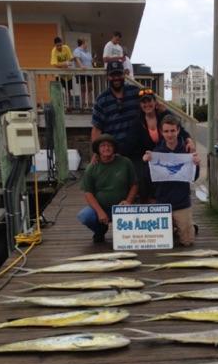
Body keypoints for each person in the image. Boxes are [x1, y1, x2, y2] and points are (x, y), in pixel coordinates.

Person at [123, 89, 195, 202]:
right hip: (147, 157)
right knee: (142, 172)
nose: (147, 105)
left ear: (155, 102)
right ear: (140, 105)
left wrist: (189, 140)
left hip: (166, 154)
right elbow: (129, 143)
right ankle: (148, 200)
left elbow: (180, 130)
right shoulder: (137, 122)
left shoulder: (164, 115)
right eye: (143, 102)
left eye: (149, 101)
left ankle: (173, 198)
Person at [143, 114, 200, 247]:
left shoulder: (187, 151)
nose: (170, 134)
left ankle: (187, 225)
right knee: (162, 242)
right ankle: (178, 226)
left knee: (188, 242)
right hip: (163, 202)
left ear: (178, 130)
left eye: (173, 130)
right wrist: (146, 164)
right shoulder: (156, 152)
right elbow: (149, 179)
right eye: (166, 131)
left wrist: (196, 165)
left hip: (182, 202)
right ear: (162, 132)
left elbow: (194, 178)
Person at [77, 134, 138, 243]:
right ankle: (100, 230)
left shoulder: (125, 162)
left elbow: (134, 184)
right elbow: (88, 193)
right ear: (98, 149)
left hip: (123, 207)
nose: (106, 148)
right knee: (85, 216)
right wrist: (100, 211)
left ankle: (126, 233)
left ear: (114, 148)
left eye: (109, 145)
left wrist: (128, 201)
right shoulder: (91, 168)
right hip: (102, 207)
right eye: (103, 146)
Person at [91, 60, 140, 156]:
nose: (116, 78)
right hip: (113, 153)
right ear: (107, 77)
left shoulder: (135, 92)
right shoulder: (101, 100)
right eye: (113, 75)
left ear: (124, 74)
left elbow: (151, 104)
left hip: (136, 150)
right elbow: (97, 129)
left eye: (119, 74)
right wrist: (96, 153)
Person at [73, 38, 93, 104]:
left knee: (90, 88)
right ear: (83, 43)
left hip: (89, 72)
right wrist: (81, 66)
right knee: (83, 89)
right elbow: (77, 59)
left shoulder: (87, 52)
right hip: (81, 73)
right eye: (86, 42)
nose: (87, 44)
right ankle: (83, 104)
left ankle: (90, 103)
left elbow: (90, 60)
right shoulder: (77, 50)